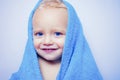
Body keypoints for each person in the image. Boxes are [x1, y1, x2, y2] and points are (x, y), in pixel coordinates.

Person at [10, 0, 103, 80]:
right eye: (39, 34)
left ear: (72, 37)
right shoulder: (27, 70)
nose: (47, 42)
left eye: (57, 34)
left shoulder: (84, 70)